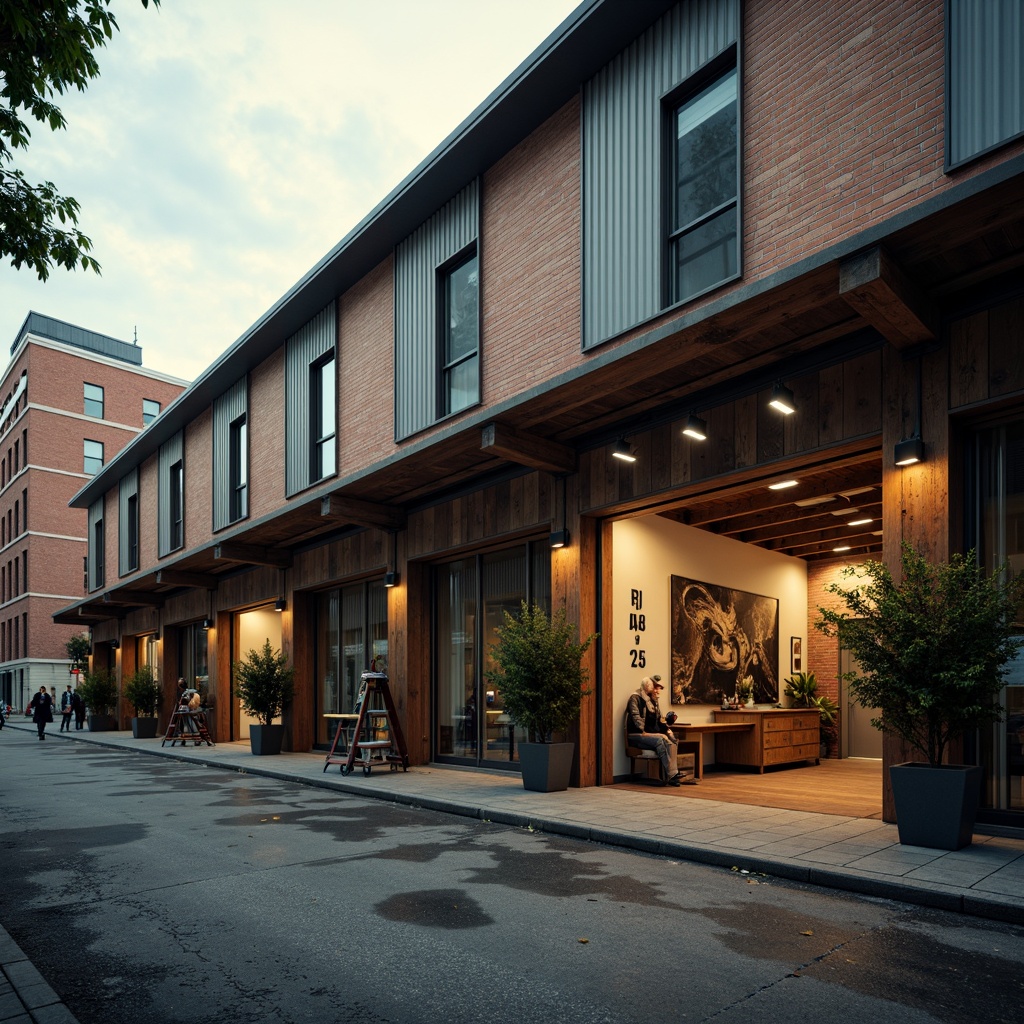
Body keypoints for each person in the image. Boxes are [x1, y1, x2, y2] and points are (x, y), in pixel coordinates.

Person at [625, 674, 683, 786]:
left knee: (672, 741)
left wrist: (667, 730)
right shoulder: (635, 698)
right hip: (636, 735)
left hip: (648, 736)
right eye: (655, 687)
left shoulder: (654, 702)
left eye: (658, 688)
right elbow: (637, 720)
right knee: (661, 740)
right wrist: (646, 733)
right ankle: (671, 775)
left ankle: (672, 774)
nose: (657, 691)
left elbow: (659, 721)